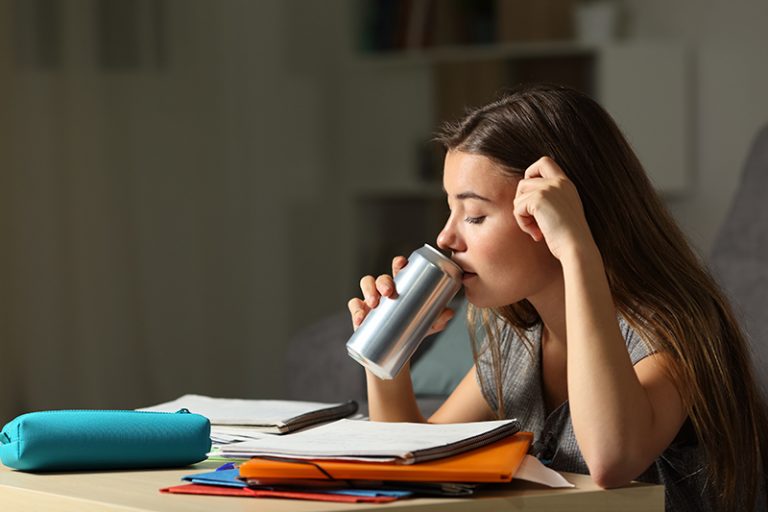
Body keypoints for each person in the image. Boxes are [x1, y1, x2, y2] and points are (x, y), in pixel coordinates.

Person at [347, 84, 768, 511]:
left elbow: (612, 460)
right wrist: (388, 353)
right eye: (451, 210)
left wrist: (577, 249)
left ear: (555, 214)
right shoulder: (519, 339)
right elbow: (416, 454)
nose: (445, 237)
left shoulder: (674, 330)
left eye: (473, 214)